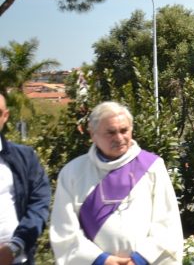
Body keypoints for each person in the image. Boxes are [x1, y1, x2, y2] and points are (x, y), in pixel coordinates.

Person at [50, 101, 183, 264]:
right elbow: (64, 230)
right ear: (93, 134)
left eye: (124, 130)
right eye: (111, 132)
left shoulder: (152, 167)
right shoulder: (73, 172)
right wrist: (101, 260)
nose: (119, 138)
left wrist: (139, 259)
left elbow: (167, 223)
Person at [0, 94, 50, 264]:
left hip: (17, 259)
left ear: (5, 116)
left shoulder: (25, 157)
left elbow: (39, 203)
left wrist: (15, 246)